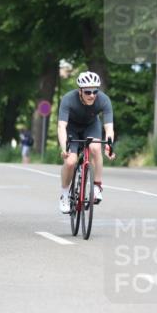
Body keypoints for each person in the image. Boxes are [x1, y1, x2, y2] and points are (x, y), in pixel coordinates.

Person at [57, 71, 115, 214]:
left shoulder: (104, 100)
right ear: (80, 91)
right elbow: (61, 126)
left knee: (95, 148)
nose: (92, 95)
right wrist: (64, 148)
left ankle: (97, 187)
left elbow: (109, 128)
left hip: (91, 126)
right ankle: (64, 195)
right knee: (70, 162)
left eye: (95, 91)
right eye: (88, 92)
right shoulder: (68, 99)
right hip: (72, 128)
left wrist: (109, 145)